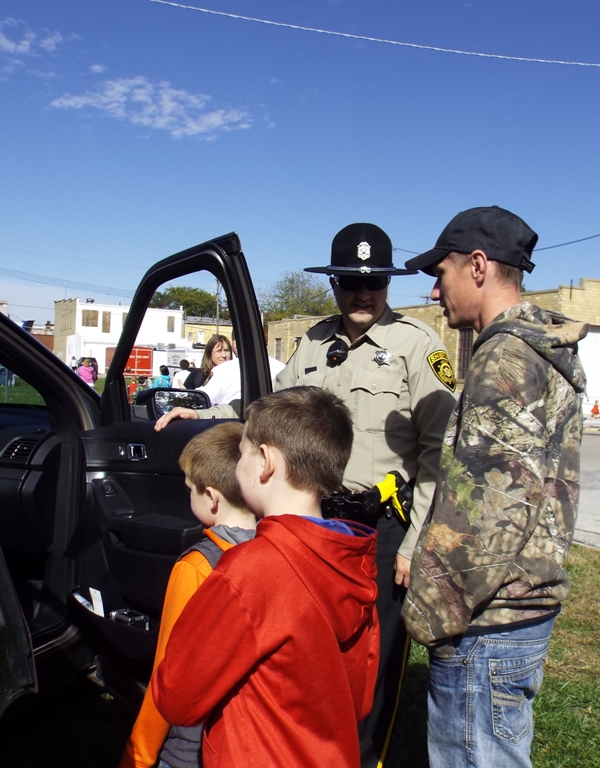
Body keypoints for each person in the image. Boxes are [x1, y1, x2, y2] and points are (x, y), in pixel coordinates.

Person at [155, 223, 457, 767]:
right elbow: (273, 407)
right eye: (350, 282)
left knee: (373, 660)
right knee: (312, 658)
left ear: (388, 284)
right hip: (313, 523)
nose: (362, 293)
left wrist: (417, 543)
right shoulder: (315, 342)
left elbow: (440, 451)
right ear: (334, 284)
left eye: (374, 282)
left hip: (382, 528)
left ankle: (364, 757)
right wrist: (203, 414)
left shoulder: (418, 345)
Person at [401, 206, 588, 768]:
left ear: (478, 266)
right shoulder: (536, 349)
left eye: (441, 274)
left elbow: (485, 518)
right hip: (519, 611)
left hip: (486, 624)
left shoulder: (505, 360)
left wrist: (428, 616)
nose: (434, 291)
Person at [152, 387, 379, 768]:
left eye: (242, 453)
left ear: (265, 461)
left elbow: (176, 697)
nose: (238, 465)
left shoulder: (250, 569)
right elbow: (360, 696)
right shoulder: (353, 558)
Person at [120, 423, 256, 768]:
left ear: (211, 497)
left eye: (189, 489)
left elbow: (167, 673)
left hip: (192, 748)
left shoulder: (196, 568)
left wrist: (139, 755)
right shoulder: (275, 551)